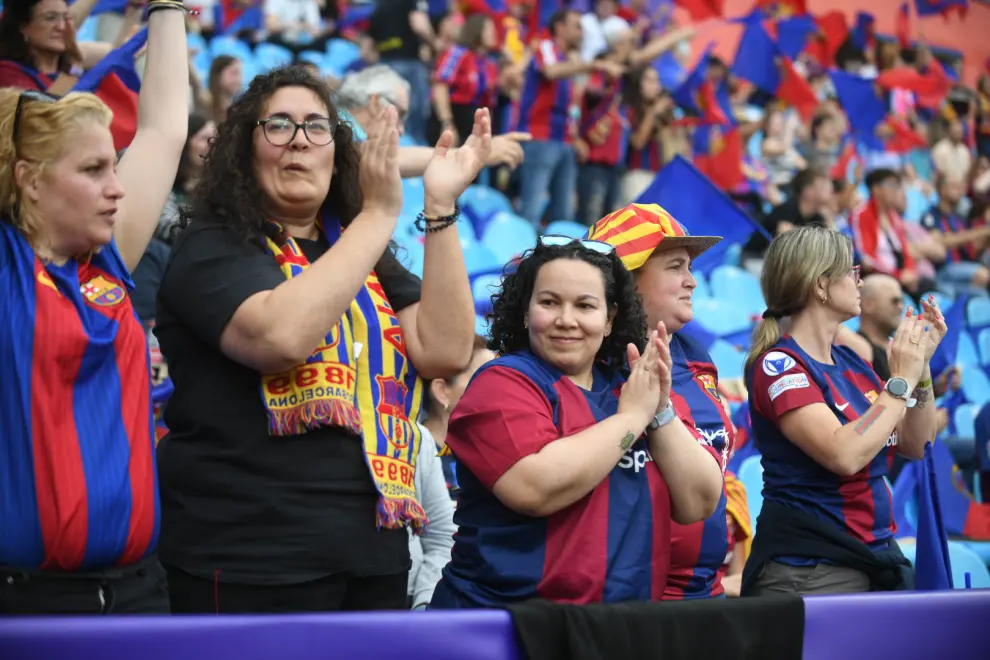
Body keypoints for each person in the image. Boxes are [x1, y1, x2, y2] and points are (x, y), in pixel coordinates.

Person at [155, 65, 489, 613]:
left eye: (316, 127)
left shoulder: (361, 251)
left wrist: (440, 208)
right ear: (245, 147)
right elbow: (280, 338)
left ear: (338, 154)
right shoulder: (212, 244)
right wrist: (379, 212)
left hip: (374, 556)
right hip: (250, 560)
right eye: (279, 125)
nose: (299, 142)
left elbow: (445, 350)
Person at [0, 3, 189, 614]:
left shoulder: (106, 263)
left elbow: (164, 130)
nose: (117, 187)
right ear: (29, 180)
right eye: (93, 169)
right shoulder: (8, 270)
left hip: (138, 591)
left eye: (115, 165)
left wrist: (166, 9)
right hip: (30, 606)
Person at [430, 237, 724, 609]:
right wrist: (633, 417)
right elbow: (534, 489)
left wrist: (660, 410)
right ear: (525, 311)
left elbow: (698, 503)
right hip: (504, 627)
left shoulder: (632, 386)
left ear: (609, 319)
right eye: (549, 302)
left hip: (617, 630)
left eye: (585, 305)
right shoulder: (501, 382)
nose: (565, 320)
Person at [742, 225, 945, 596]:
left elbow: (917, 444)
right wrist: (900, 381)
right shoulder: (780, 365)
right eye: (852, 272)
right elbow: (843, 454)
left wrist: (922, 369)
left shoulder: (851, 360)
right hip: (814, 563)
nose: (860, 283)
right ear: (820, 285)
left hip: (871, 553)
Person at [588, 203, 736, 600]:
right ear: (628, 281)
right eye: (675, 267)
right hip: (629, 606)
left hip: (705, 595)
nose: (692, 281)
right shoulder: (587, 366)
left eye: (689, 267)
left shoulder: (695, 354)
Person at [408, 335, 495, 609]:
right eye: (485, 381)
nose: (501, 392)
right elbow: (440, 539)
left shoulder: (501, 456)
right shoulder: (411, 449)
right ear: (442, 391)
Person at [336, 64, 528, 176]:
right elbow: (383, 160)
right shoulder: (335, 128)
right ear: (376, 101)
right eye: (400, 114)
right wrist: (474, 154)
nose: (401, 129)